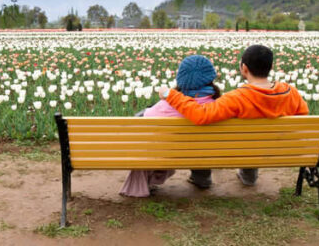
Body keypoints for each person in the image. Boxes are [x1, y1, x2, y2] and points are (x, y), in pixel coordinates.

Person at [158, 45, 309, 186]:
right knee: (254, 141)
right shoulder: (291, 93)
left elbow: (201, 115)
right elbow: (302, 118)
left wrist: (169, 94)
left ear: (244, 68)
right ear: (271, 67)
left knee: (249, 141)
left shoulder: (237, 98)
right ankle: (249, 174)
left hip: (243, 149)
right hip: (281, 150)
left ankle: (244, 172)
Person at [119, 55, 221, 197]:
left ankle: (149, 180)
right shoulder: (217, 106)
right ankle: (202, 179)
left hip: (169, 153)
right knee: (201, 143)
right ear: (210, 79)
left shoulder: (166, 105)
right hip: (203, 152)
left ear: (181, 79)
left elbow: (139, 123)